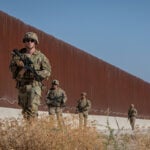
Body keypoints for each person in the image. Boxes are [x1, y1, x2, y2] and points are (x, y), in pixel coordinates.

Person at [9, 32, 51, 120]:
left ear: (35, 42)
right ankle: (29, 131)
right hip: (23, 86)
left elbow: (47, 71)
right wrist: (21, 67)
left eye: (32, 40)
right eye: (27, 40)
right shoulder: (18, 56)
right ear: (24, 42)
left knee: (33, 110)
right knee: (25, 112)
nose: (29, 42)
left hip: (35, 86)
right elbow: (12, 71)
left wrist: (36, 73)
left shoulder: (41, 57)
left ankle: (33, 130)